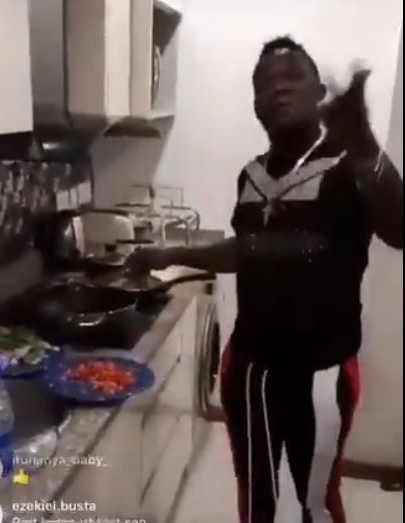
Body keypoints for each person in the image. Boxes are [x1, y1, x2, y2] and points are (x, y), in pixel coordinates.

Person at [126, 36, 403, 523]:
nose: (278, 88)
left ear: (319, 92)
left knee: (314, 498)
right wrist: (169, 254)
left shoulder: (349, 167)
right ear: (255, 103)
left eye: (292, 76)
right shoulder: (250, 175)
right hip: (251, 365)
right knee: (257, 495)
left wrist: (366, 147)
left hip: (321, 371)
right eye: (264, 83)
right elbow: (248, 250)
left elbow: (399, 230)